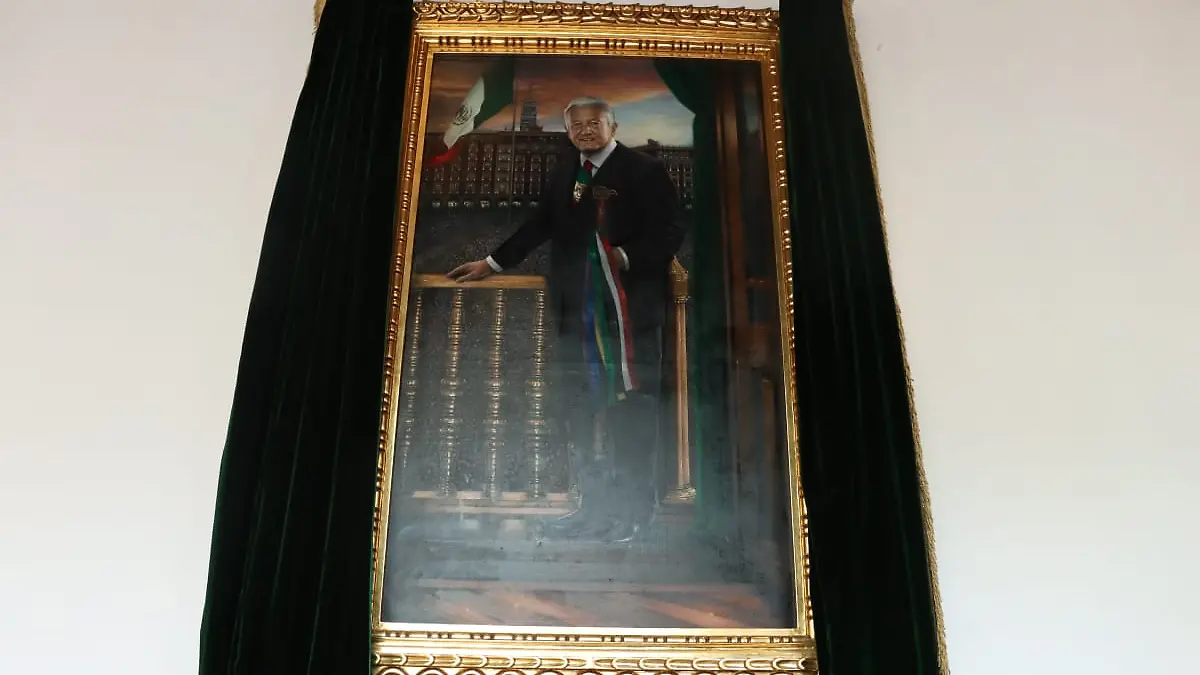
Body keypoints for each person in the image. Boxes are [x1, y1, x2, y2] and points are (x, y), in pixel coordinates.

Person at [447, 96, 685, 543]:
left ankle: (635, 514)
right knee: (580, 411)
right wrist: (492, 263)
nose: (585, 130)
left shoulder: (645, 170)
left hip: (627, 319)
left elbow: (671, 230)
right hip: (575, 317)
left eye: (594, 123)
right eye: (576, 125)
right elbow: (541, 224)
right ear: (568, 130)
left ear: (613, 126)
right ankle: (590, 510)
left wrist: (624, 258)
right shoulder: (566, 171)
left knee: (630, 414)